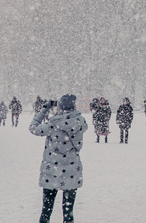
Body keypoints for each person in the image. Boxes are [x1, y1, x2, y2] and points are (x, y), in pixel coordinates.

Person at [31, 94, 87, 223]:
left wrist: (44, 109)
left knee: (46, 210)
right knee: (68, 212)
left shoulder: (53, 124)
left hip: (52, 171)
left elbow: (33, 128)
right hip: (72, 170)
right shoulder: (80, 122)